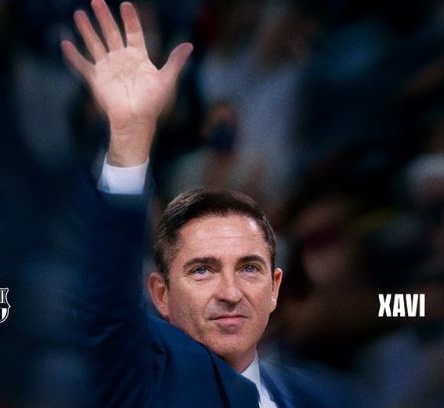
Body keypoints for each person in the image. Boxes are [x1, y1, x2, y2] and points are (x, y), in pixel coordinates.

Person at [62, 1, 331, 406]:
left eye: (249, 268)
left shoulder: (322, 396)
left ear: (275, 287)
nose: (230, 292)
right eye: (202, 270)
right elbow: (107, 310)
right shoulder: (144, 380)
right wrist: (131, 135)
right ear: (161, 294)